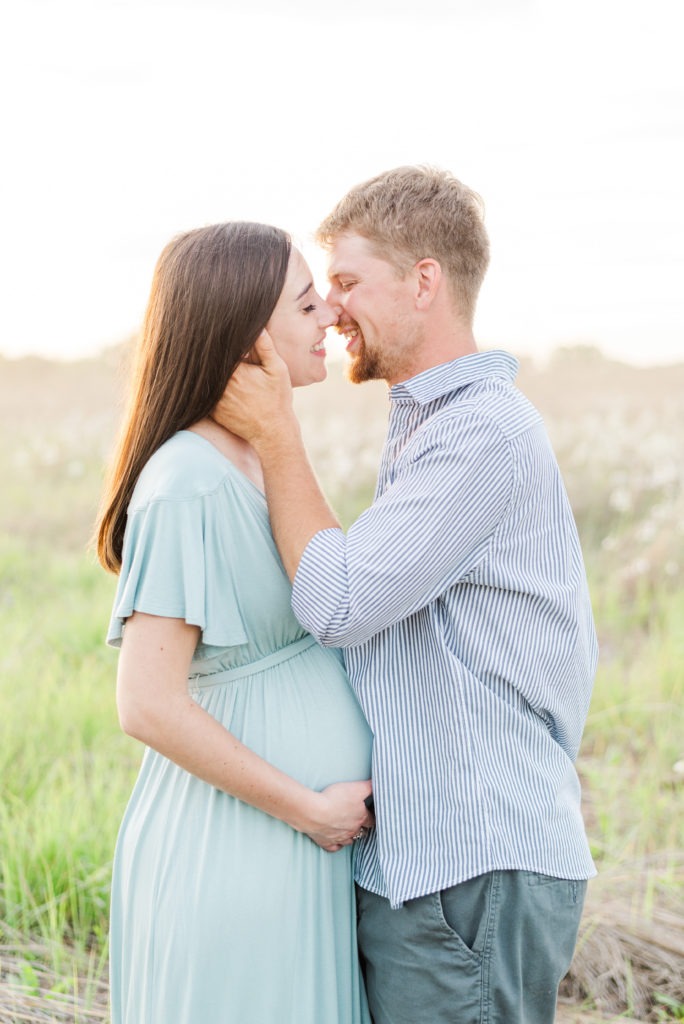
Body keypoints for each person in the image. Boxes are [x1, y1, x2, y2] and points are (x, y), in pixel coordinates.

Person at [212, 166, 599, 1024]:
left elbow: (343, 603)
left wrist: (276, 434)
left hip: (474, 865)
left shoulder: (479, 433)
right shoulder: (433, 422)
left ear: (425, 280)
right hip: (437, 861)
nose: (333, 308)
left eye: (346, 282)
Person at [95, 221, 375, 1024]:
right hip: (243, 847)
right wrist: (307, 807)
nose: (329, 317)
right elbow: (145, 702)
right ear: (247, 332)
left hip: (289, 850)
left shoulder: (256, 454)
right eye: (307, 302)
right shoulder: (188, 480)